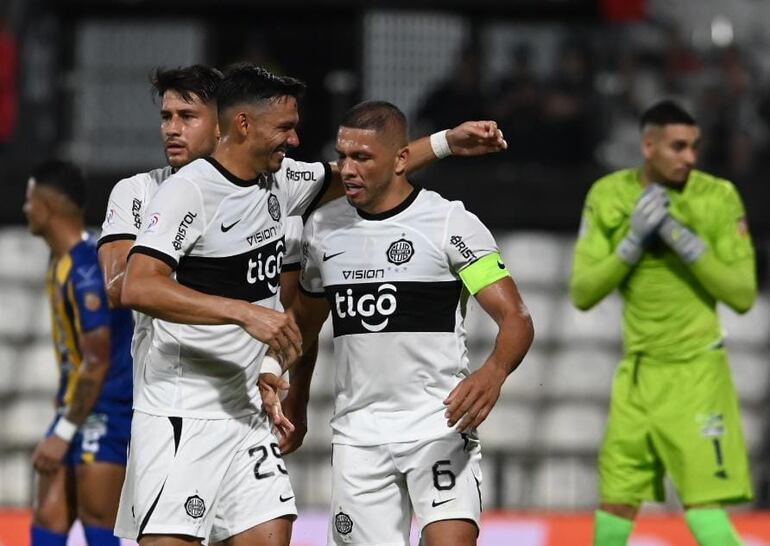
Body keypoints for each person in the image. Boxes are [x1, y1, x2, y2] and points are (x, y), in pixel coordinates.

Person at [114, 63, 508, 546]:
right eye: (284, 127)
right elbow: (138, 287)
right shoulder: (188, 192)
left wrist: (447, 141)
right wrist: (244, 311)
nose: (295, 139)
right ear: (244, 126)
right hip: (183, 412)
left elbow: (366, 170)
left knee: (272, 535)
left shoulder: (280, 182)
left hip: (246, 414)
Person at [284, 100, 534, 546]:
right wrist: (296, 403)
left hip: (438, 425)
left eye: (361, 157)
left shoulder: (448, 224)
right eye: (342, 156)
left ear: (401, 159)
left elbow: (515, 317)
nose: (347, 169)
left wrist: (493, 373)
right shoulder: (323, 230)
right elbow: (304, 328)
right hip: (359, 437)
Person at [569, 100, 755, 546]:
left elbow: (743, 294)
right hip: (636, 375)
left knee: (702, 509)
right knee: (615, 501)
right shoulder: (608, 195)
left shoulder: (718, 196)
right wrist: (632, 244)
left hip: (696, 375)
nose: (690, 157)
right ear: (648, 146)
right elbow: (583, 292)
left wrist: (681, 239)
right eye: (678, 146)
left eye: (694, 147)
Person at [23, 160, 134, 546]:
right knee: (48, 516)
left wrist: (64, 431)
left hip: (107, 410)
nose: (24, 208)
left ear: (48, 205)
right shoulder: (62, 262)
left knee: (98, 522)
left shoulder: (87, 268)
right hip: (75, 407)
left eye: (29, 198)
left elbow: (97, 358)